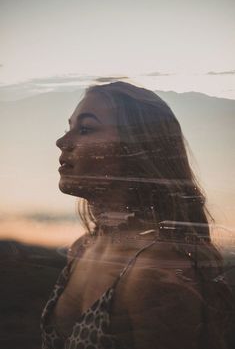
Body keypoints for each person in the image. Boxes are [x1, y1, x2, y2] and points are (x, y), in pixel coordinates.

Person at [41, 81, 233, 349]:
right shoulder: (82, 248)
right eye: (69, 128)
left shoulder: (154, 273)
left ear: (135, 150)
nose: (62, 142)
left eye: (85, 129)